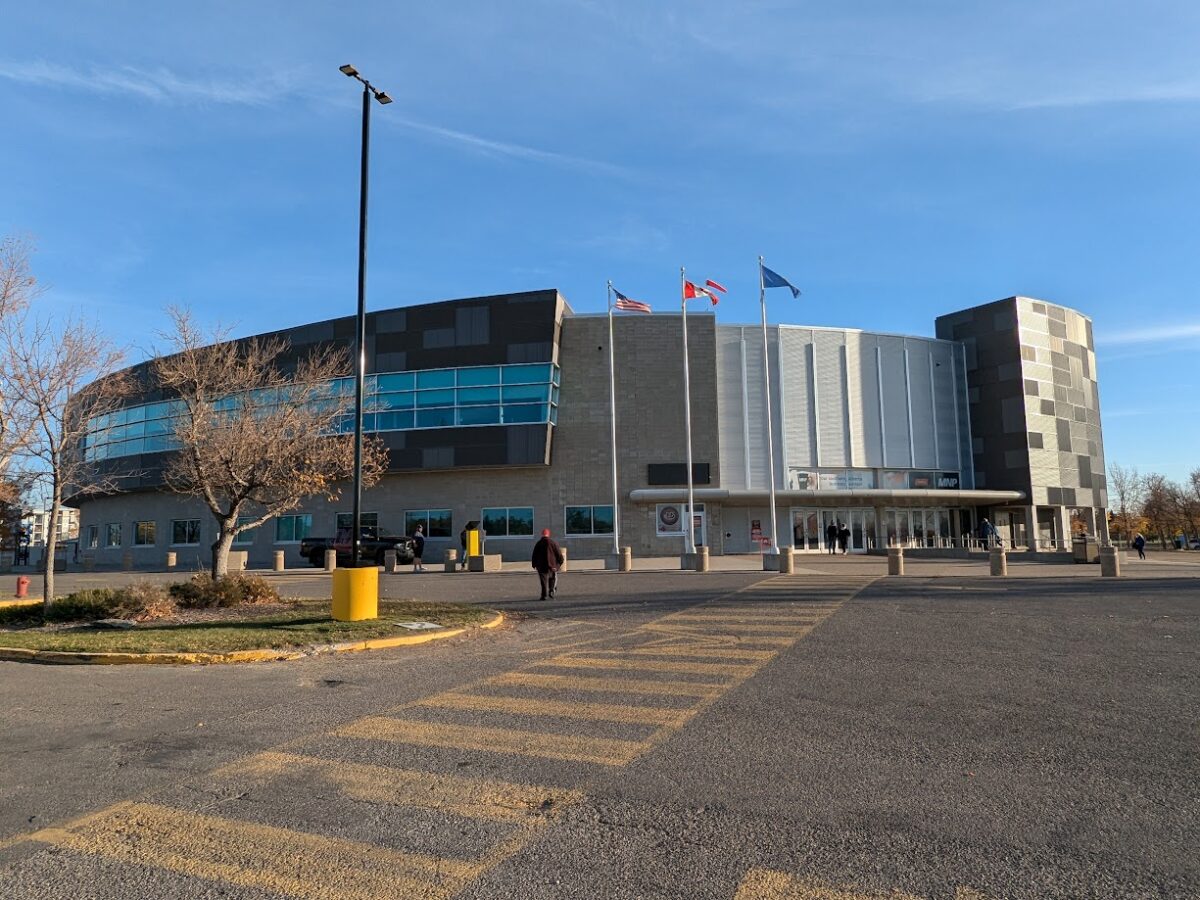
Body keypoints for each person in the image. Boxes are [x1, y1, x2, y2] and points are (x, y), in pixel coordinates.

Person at [531, 528, 564, 601]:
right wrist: (559, 564)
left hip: (541, 565)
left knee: (543, 581)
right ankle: (551, 591)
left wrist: (534, 564)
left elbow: (534, 554)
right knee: (552, 578)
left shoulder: (539, 543)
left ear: (542, 534)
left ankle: (544, 595)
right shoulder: (553, 543)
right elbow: (559, 554)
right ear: (549, 534)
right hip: (552, 565)